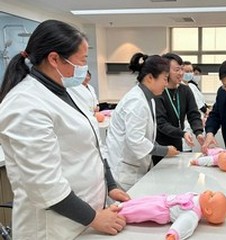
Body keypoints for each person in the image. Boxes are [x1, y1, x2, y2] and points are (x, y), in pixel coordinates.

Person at [0, 20, 130, 239]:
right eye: (82, 60)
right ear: (54, 59)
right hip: (53, 228)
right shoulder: (25, 104)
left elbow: (95, 147)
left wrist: (110, 185)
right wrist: (93, 218)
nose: (85, 68)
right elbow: (44, 184)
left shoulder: (73, 92)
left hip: (86, 217)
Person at [105, 53, 179, 191]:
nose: (166, 83)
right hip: (124, 172)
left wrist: (161, 148)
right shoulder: (136, 101)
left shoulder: (148, 99)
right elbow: (135, 140)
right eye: (164, 79)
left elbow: (146, 136)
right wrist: (164, 150)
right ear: (150, 78)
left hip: (135, 168)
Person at [153, 53, 204, 165]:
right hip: (160, 145)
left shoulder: (185, 90)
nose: (181, 73)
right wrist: (182, 133)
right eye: (177, 70)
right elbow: (161, 123)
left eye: (182, 69)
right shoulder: (159, 92)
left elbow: (193, 114)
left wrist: (198, 132)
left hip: (177, 141)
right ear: (165, 71)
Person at [117, 190, 226, 240]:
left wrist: (174, 235)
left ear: (208, 210)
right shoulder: (197, 197)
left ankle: (120, 215)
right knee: (143, 200)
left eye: (211, 195)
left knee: (141, 211)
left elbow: (183, 225)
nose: (209, 191)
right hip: (162, 200)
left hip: (162, 211)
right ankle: (122, 206)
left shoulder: (192, 214)